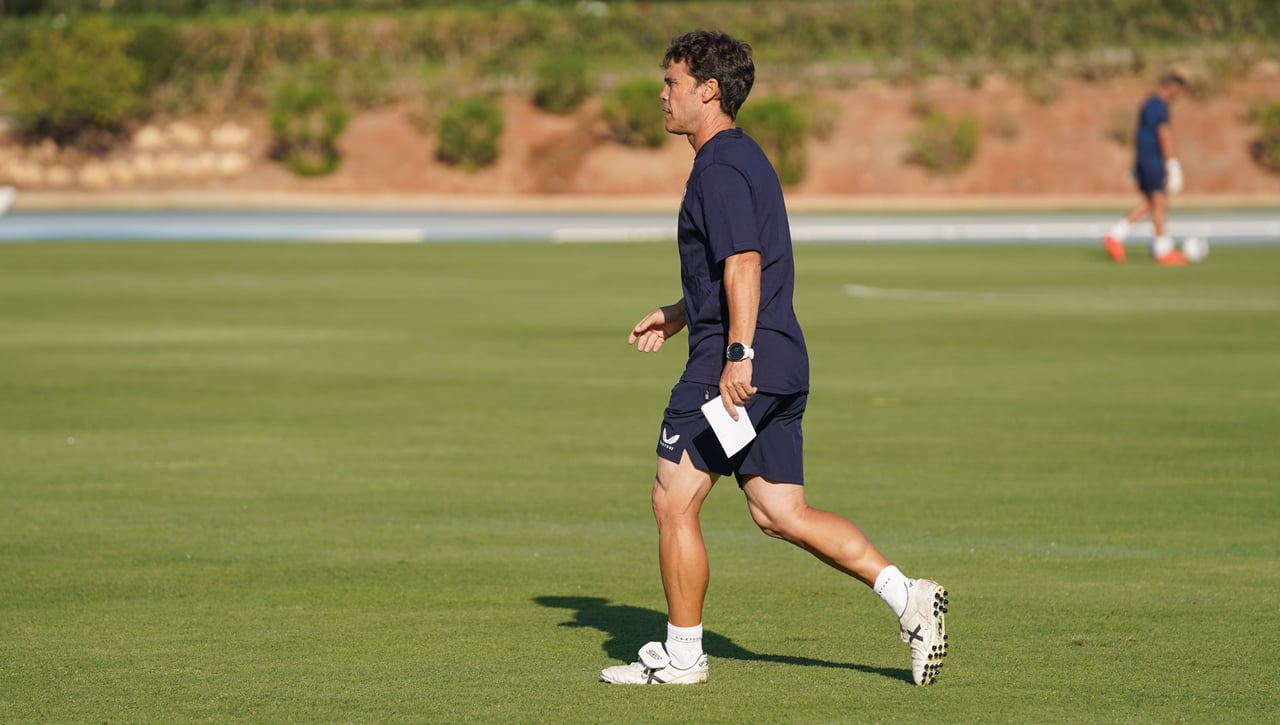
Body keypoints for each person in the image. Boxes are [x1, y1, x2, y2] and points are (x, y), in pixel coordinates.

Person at [600, 30, 948, 688]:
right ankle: (910, 598)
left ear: (708, 90)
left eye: (671, 82)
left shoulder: (720, 166)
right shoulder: (741, 159)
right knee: (779, 512)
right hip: (780, 363)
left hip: (736, 369)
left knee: (672, 501)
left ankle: (682, 656)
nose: (662, 94)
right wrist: (678, 313)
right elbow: (728, 264)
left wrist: (735, 353)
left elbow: (744, 262)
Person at [1103, 70, 1188, 265]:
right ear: (1172, 87)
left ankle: (1116, 235)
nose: (1178, 97)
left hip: (1145, 158)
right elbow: (1163, 134)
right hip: (1153, 159)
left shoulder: (1148, 103)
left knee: (1152, 202)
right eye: (1178, 92)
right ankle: (1162, 248)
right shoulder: (1159, 106)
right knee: (1159, 201)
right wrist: (1172, 163)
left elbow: (1139, 134)